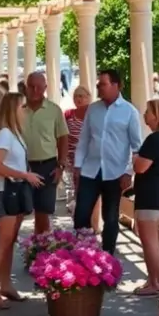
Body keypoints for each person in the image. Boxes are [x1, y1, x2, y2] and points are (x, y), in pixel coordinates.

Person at [73, 69, 143, 255]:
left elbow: (136, 147)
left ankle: (106, 258)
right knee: (81, 214)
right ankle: (85, 255)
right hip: (90, 170)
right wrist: (77, 166)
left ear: (116, 85)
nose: (98, 88)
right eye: (98, 85)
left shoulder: (129, 112)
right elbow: (84, 139)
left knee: (110, 218)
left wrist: (129, 172)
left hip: (115, 172)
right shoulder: (93, 109)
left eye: (102, 84)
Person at [0, 91, 44, 309]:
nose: (25, 111)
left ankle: (5, 284)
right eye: (22, 107)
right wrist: (25, 175)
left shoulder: (14, 133)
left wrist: (24, 173)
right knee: (4, 240)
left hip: (16, 190)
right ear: (13, 110)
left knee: (10, 240)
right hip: (5, 191)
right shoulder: (4, 134)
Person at [132, 98, 159, 296]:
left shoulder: (154, 139)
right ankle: (156, 279)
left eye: (148, 111)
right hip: (157, 192)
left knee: (148, 241)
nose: (145, 115)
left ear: (156, 115)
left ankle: (155, 281)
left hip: (149, 194)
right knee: (152, 240)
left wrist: (134, 158)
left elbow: (141, 167)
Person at [21, 71, 69, 234]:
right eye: (31, 86)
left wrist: (61, 166)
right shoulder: (18, 109)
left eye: (39, 87)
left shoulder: (54, 110)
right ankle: (34, 248)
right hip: (22, 166)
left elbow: (63, 138)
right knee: (21, 210)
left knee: (43, 213)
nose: (35, 90)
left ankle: (42, 251)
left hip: (47, 165)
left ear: (45, 88)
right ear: (26, 87)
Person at [64, 86, 100, 232]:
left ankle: (94, 223)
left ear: (89, 97)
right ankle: (80, 223)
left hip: (90, 158)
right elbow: (63, 136)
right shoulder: (68, 114)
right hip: (73, 159)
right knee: (77, 190)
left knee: (91, 191)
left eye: (82, 96)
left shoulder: (94, 114)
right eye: (76, 95)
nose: (79, 99)